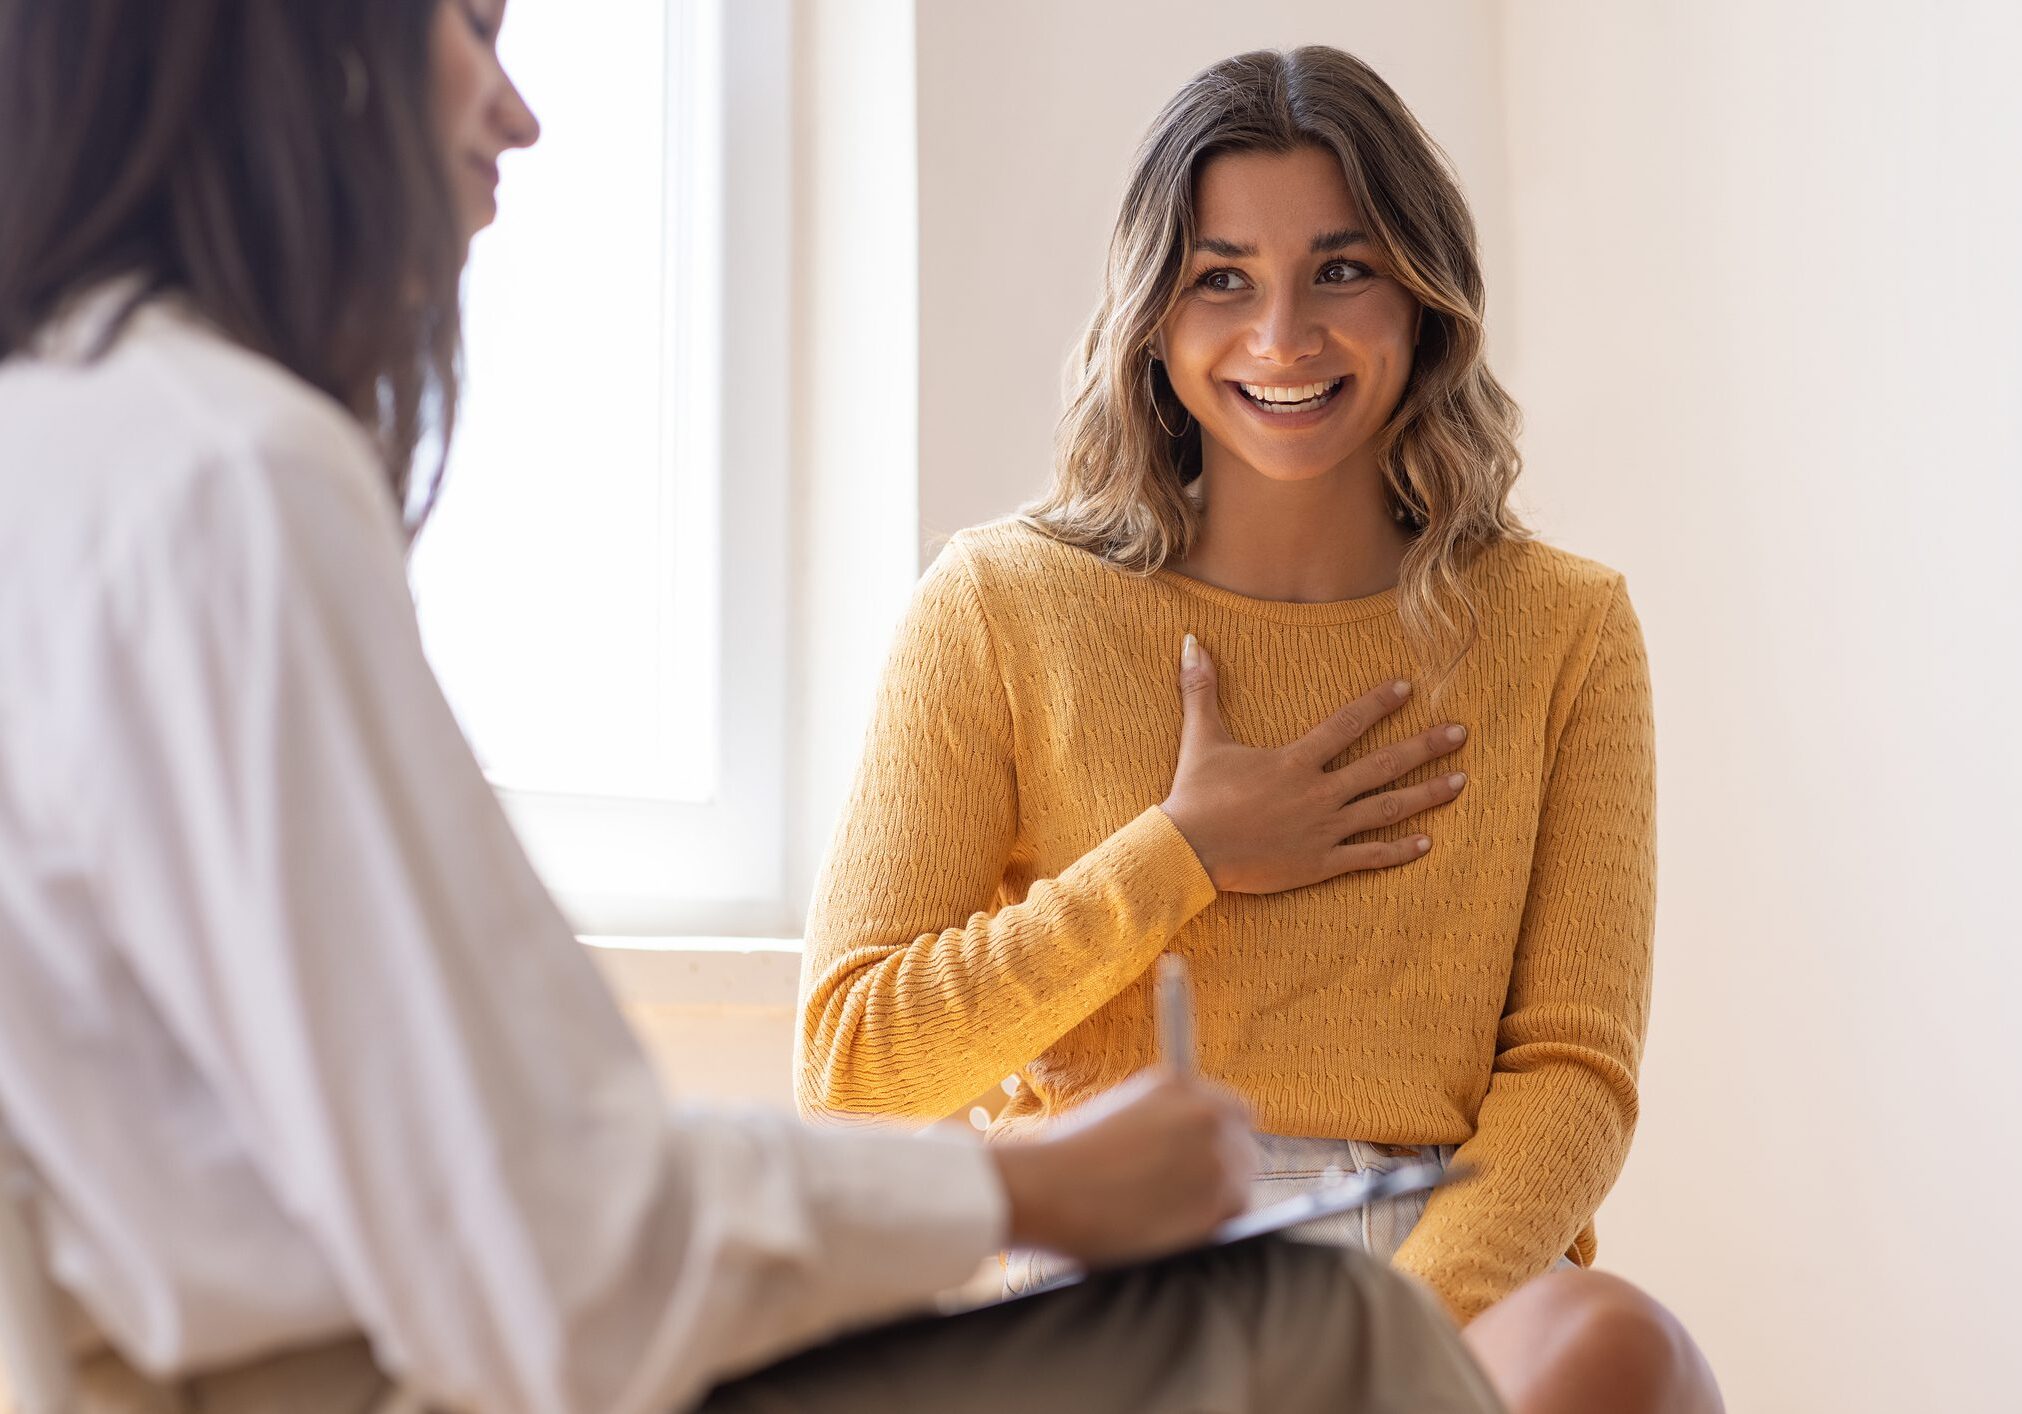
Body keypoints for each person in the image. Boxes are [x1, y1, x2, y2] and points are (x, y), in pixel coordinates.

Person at [0, 4, 1512, 1412]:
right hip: (410, 1371)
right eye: (469, 24)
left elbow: (1573, 1069)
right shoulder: (227, 485)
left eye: (1342, 269)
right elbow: (569, 1247)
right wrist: (1033, 1183)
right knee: (1334, 1333)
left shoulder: (67, 449)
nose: (517, 115)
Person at [795, 46, 1724, 1414]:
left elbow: (1572, 1074)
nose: (1281, 334)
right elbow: (852, 1070)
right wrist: (1179, 852)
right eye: (1221, 277)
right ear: (1153, 318)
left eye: (1340, 270)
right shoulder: (996, 605)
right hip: (1126, 1269)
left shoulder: (1563, 627)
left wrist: (1382, 1326)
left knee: (1619, 1350)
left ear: (1420, 297)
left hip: (1442, 1259)